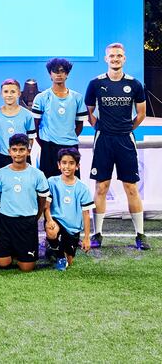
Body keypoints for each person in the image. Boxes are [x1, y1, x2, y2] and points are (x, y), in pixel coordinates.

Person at [84, 43, 149, 250]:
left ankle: (140, 235)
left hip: (125, 140)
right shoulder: (95, 84)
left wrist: (126, 129)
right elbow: (90, 113)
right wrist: (102, 128)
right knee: (101, 187)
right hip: (103, 140)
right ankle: (98, 234)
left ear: (124, 59)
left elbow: (141, 114)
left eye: (119, 55)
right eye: (112, 56)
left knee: (131, 188)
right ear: (106, 59)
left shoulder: (135, 84)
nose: (115, 59)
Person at [0, 134, 49, 272]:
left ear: (28, 151)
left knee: (27, 268)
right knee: (3, 264)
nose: (18, 153)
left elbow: (42, 199)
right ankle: (13, 252)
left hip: (27, 222)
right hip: (6, 222)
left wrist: (36, 215)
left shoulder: (37, 174)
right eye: (15, 149)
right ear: (9, 151)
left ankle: (21, 253)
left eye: (22, 149)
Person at [31, 58, 87, 178]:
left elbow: (79, 125)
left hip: (70, 147)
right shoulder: (41, 98)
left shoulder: (77, 98)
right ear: (50, 74)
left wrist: (67, 138)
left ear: (67, 74)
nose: (59, 74)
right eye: (55, 71)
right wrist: (45, 144)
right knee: (48, 187)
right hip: (48, 147)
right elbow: (35, 125)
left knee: (71, 183)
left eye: (62, 71)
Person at [45, 148, 95, 270]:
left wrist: (87, 238)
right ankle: (56, 250)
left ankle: (55, 250)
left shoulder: (82, 188)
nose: (67, 166)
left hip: (73, 228)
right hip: (57, 221)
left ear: (77, 166)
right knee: (51, 230)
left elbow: (86, 214)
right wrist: (49, 220)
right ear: (59, 165)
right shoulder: (52, 182)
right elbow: (46, 207)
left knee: (70, 262)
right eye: (64, 162)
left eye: (71, 163)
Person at [0, 79, 36, 169]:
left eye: (13, 92)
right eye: (6, 92)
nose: (9, 95)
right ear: (1, 94)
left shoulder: (27, 115)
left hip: (23, 158)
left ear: (19, 94)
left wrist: (23, 153)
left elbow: (30, 139)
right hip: (3, 158)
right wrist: (3, 152)